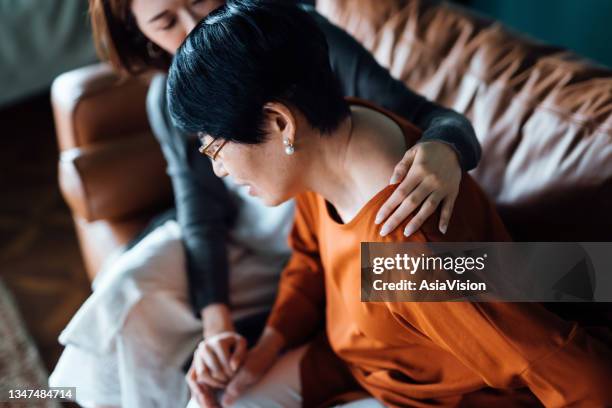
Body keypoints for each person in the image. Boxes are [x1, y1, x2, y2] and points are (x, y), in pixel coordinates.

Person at [166, 1, 612, 407]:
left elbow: (579, 374)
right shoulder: (342, 133)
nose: (219, 170)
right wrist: (266, 347)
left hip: (424, 395)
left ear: (280, 122)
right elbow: (311, 260)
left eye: (214, 149)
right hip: (362, 361)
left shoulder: (404, 250)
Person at [50, 0, 483, 407]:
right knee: (125, 294)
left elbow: (528, 314)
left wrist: (446, 147)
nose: (192, 25)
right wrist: (218, 324)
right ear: (141, 34)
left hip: (317, 231)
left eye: (198, 0)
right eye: (165, 22)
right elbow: (200, 213)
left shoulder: (292, 46)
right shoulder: (173, 98)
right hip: (255, 236)